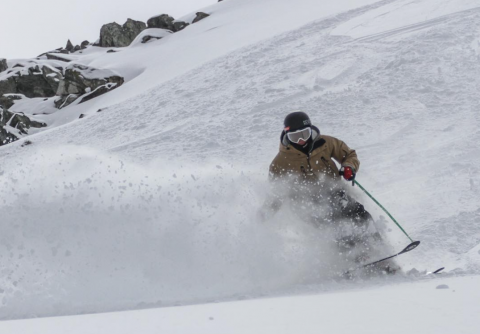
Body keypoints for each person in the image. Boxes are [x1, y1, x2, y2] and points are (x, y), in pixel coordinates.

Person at [261, 111, 397, 273]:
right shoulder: (281, 162)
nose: (301, 140)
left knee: (361, 215)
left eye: (305, 134)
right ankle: (355, 261)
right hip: (308, 205)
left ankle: (380, 255)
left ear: (311, 130)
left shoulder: (325, 143)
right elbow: (277, 192)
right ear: (286, 135)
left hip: (335, 192)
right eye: (295, 137)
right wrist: (267, 211)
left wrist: (349, 167)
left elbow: (349, 154)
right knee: (336, 227)